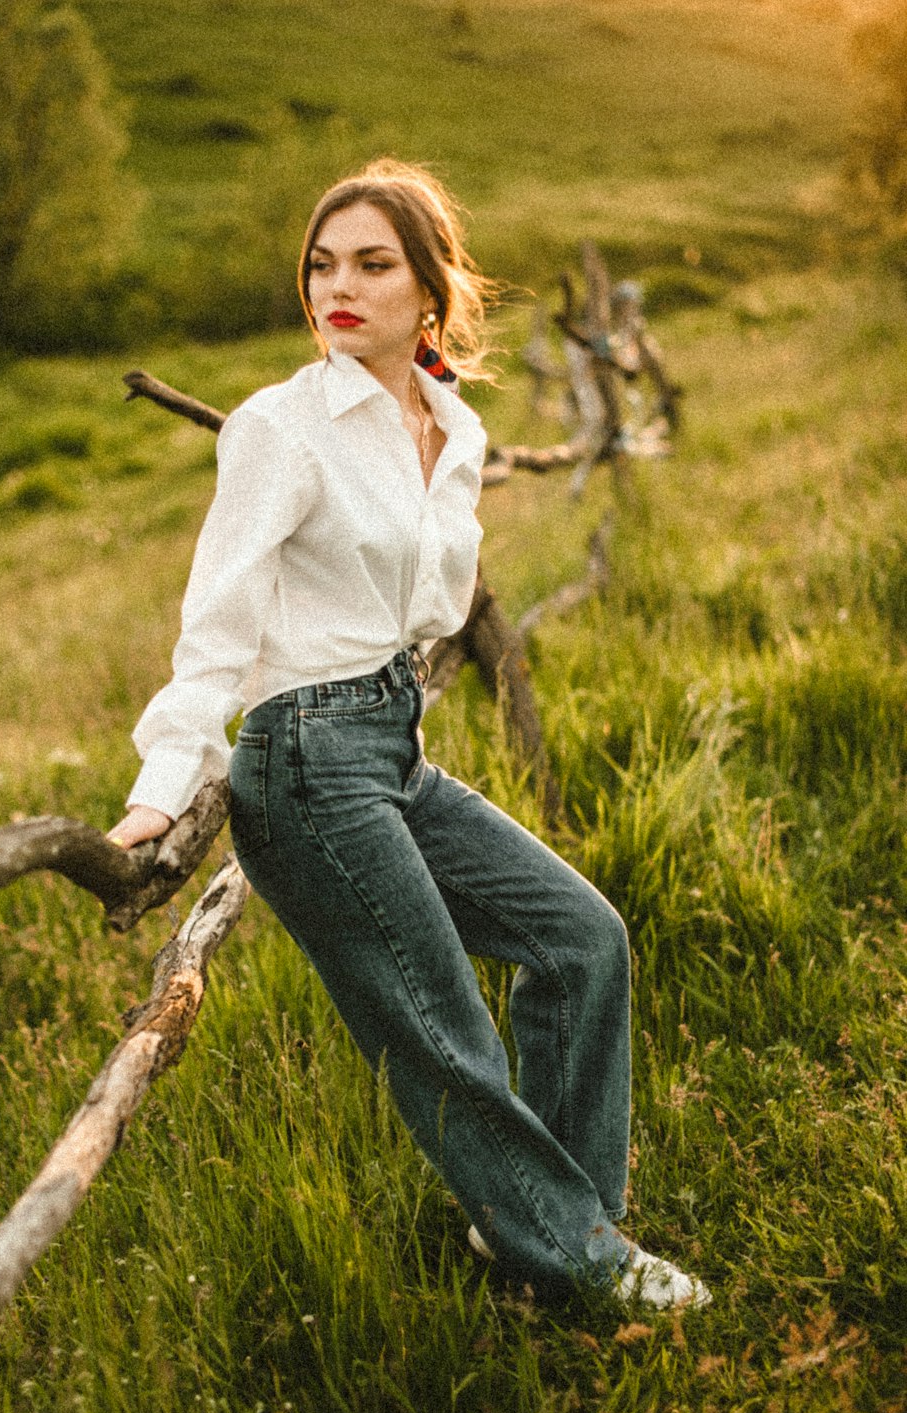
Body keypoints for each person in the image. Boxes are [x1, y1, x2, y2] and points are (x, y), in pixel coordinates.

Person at [108, 160, 710, 1310]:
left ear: (429, 288)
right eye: (321, 265)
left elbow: (430, 613)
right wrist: (164, 775)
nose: (339, 286)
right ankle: (579, 1263)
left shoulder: (456, 425)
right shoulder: (282, 427)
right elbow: (218, 618)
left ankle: (553, 1223)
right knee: (440, 1028)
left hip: (390, 746)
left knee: (582, 941)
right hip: (302, 763)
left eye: (372, 264)